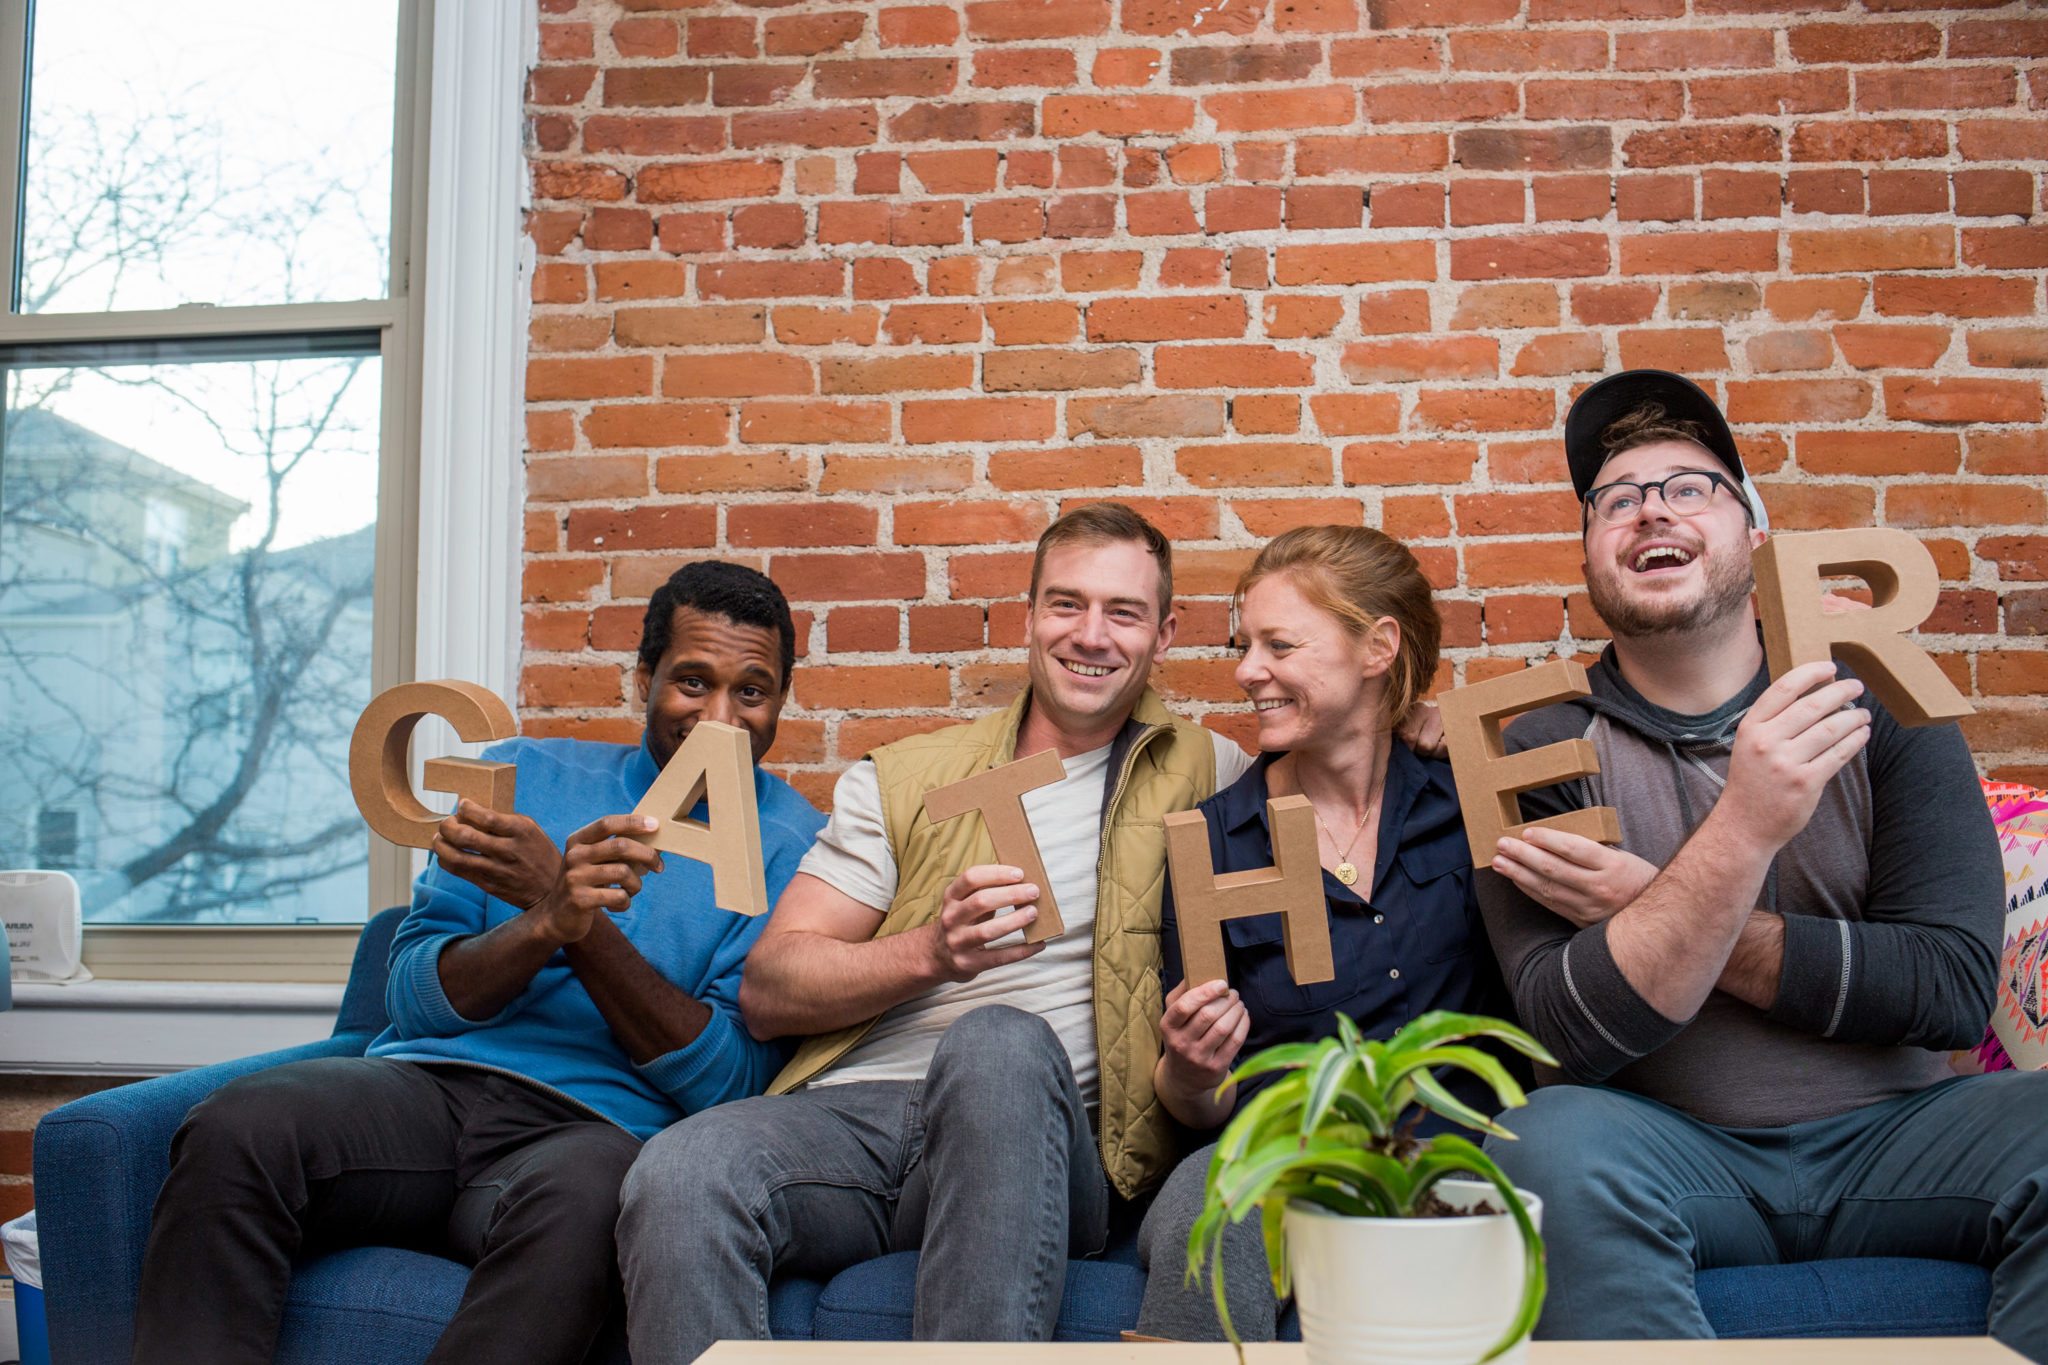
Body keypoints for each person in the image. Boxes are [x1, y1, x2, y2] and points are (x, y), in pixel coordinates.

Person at [1475, 369, 2048, 1356]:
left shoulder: (1878, 703)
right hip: (1670, 1151)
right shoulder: (1530, 747)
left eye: (1688, 487)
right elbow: (1571, 1034)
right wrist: (1745, 826)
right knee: (1544, 1141)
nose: (1649, 509)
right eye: (1615, 500)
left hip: (1901, 1136)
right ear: (1588, 558)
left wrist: (1657, 904)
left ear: (1753, 533)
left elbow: (1946, 984)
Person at [130, 561, 825, 1365]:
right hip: (423, 1093)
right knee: (238, 1123)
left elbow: (728, 1082)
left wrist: (579, 924)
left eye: (752, 690)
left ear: (782, 699)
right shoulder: (522, 773)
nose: (719, 718)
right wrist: (542, 920)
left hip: (596, 1130)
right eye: (692, 681)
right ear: (643, 678)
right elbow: (413, 997)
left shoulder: (799, 853)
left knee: (593, 1202)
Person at [615, 502, 1256, 1362]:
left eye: (1124, 611)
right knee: (679, 1172)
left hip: (1037, 1129)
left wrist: (1418, 721)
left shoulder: (1219, 771)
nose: (1091, 635)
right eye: (1067, 604)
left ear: (1166, 632)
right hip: (856, 1119)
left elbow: (1346, 744)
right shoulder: (908, 776)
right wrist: (933, 951)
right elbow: (769, 989)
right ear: (1029, 616)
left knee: (996, 1043)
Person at [1133, 525, 1515, 1341]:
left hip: (1468, 1153)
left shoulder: (1473, 800)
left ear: (1378, 646)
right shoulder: (1216, 842)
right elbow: (1199, 1103)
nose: (1246, 671)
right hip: (1290, 1162)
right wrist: (1192, 1072)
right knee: (1215, 1195)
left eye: (1279, 643)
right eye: (1245, 645)